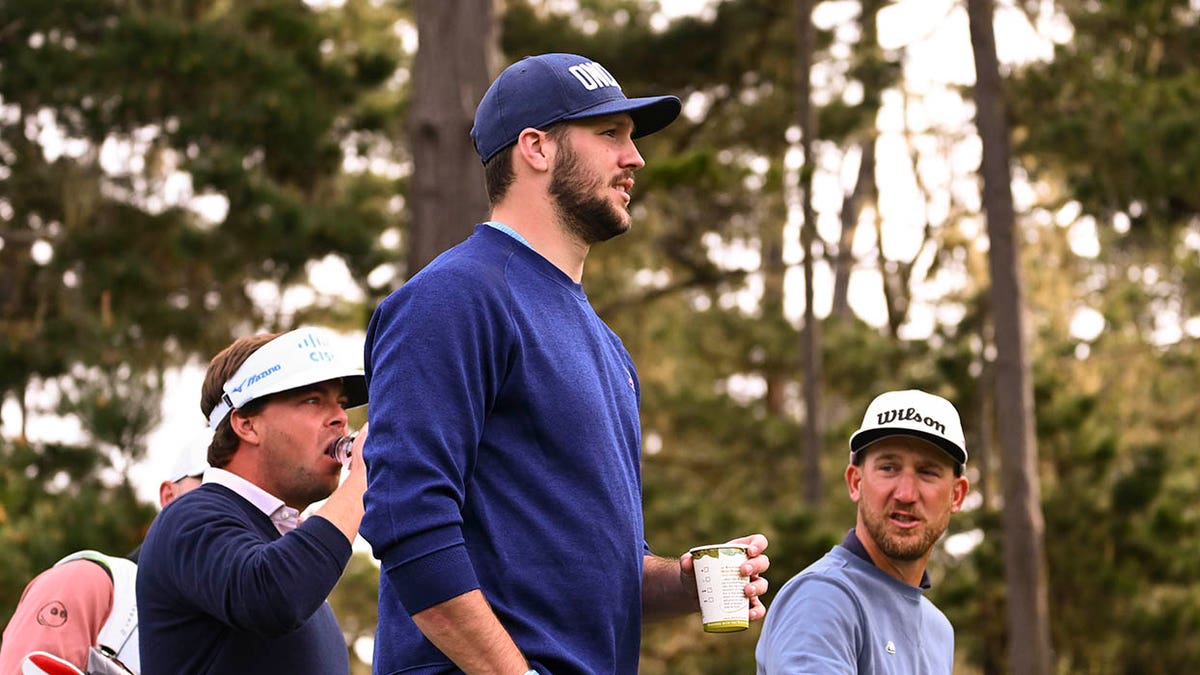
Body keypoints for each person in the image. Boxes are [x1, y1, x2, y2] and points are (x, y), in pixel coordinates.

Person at [361, 52, 770, 674]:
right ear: (536, 148)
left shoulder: (608, 349)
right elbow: (406, 522)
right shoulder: (453, 299)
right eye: (610, 134)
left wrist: (684, 583)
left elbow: (603, 574)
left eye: (631, 138)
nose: (634, 158)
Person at [135, 326, 370, 674]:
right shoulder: (189, 516)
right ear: (247, 425)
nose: (340, 418)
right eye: (313, 400)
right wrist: (362, 481)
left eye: (341, 404)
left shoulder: (283, 547)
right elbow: (274, 596)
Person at [755, 389, 971, 674]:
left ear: (957, 495)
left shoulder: (938, 630)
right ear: (855, 482)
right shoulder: (822, 599)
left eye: (927, 471)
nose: (906, 493)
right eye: (888, 468)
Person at [0, 428, 211, 675]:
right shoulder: (88, 583)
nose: (225, 502)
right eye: (210, 485)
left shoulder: (246, 631)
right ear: (169, 496)